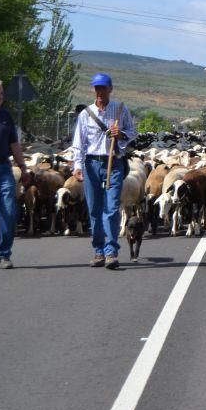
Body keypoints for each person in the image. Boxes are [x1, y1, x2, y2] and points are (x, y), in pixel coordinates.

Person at [72, 73, 137, 270]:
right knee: (94, 209)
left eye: (103, 88)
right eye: (96, 88)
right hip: (91, 164)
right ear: (93, 90)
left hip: (114, 162)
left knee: (111, 208)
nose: (99, 92)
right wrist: (76, 165)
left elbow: (133, 133)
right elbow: (79, 142)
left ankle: (111, 252)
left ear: (110, 89)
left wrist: (122, 134)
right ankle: (98, 250)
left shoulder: (120, 110)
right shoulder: (86, 114)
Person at [0, 77, 31, 269]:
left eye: (2, 93)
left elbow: (14, 144)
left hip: (3, 168)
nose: (0, 97)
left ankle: (4, 253)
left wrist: (23, 166)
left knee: (8, 211)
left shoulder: (5, 116)